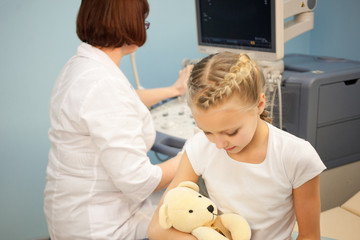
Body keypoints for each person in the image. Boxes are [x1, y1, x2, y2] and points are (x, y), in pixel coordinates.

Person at [43, 0, 193, 239]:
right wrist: (193, 156)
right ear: (130, 26)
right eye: (143, 22)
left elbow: (126, 98)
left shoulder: (82, 66)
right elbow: (139, 181)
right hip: (99, 226)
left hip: (75, 211)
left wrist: (174, 90)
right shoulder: (103, 85)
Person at [148, 52, 326, 240]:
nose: (218, 144)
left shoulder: (295, 156)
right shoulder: (199, 147)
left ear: (259, 104)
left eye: (231, 132)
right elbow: (157, 229)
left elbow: (309, 235)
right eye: (207, 131)